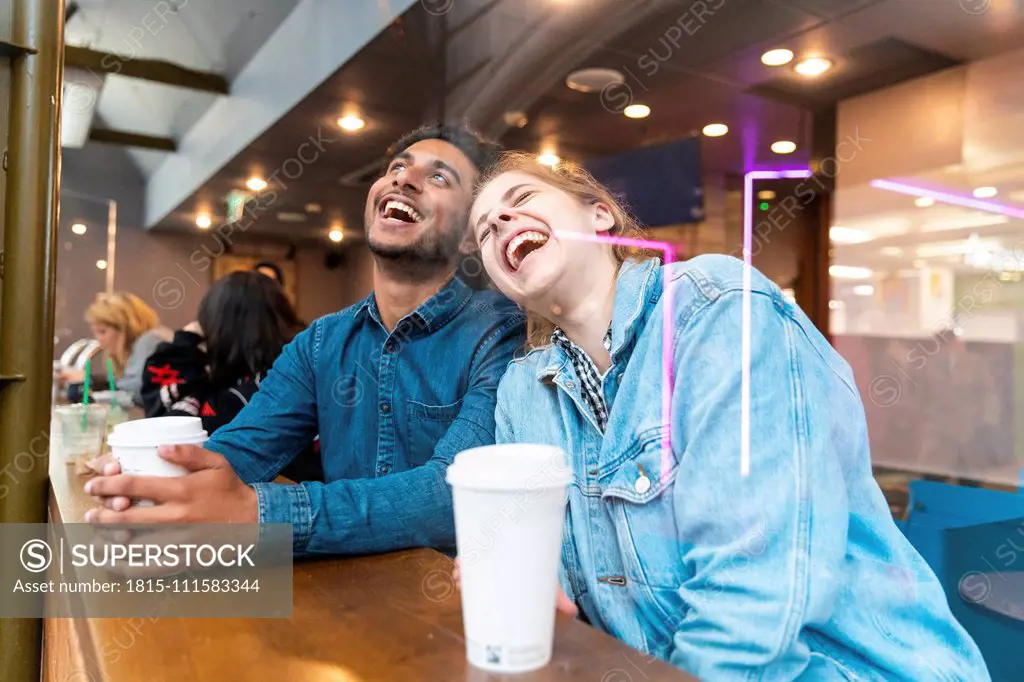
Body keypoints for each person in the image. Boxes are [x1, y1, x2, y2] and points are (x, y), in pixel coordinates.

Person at [466, 152, 990, 680]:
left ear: (599, 214)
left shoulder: (717, 309)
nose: (502, 223)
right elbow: (544, 581)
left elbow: (751, 593)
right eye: (485, 231)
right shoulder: (521, 392)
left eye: (522, 199)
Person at [83, 124, 525, 558]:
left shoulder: (501, 331)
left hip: (448, 610)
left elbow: (454, 493)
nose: (403, 179)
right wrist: (152, 478)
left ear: (471, 235)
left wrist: (261, 515)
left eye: (439, 177)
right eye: (397, 167)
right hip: (341, 598)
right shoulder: (321, 341)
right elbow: (245, 447)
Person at [140, 271, 322, 482]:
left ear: (217, 325)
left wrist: (185, 342)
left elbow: (169, 434)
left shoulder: (255, 390)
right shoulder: (294, 366)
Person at [62, 292, 172, 406]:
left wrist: (90, 381)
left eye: (102, 331)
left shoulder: (150, 340)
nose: (98, 339)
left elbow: (138, 390)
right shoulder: (144, 344)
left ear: (126, 328)